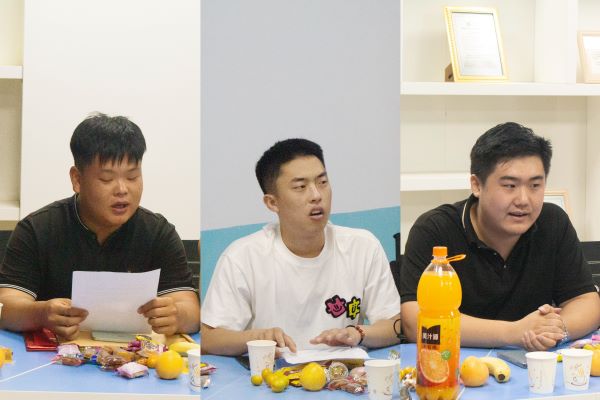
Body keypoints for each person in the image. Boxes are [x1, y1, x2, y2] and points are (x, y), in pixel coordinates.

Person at [400, 122, 600, 351]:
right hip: (453, 363)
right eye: (510, 186)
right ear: (477, 185)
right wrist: (515, 332)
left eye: (535, 185)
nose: (523, 200)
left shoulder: (553, 222)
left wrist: (555, 329)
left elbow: (586, 302)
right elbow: (414, 321)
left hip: (532, 364)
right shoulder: (435, 229)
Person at [0, 113, 200, 339]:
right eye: (107, 179)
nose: (122, 190)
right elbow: (5, 307)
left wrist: (176, 315)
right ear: (77, 179)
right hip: (55, 354)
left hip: (136, 355)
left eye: (132, 177)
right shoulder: (37, 229)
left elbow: (191, 311)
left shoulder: (158, 233)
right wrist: (41, 314)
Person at [201, 138, 400, 356]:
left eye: (322, 182)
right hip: (272, 374)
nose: (316, 195)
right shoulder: (242, 257)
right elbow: (210, 339)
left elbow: (395, 324)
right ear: (272, 202)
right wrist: (258, 338)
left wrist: (358, 332)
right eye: (300, 187)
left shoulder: (363, 247)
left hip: (344, 373)